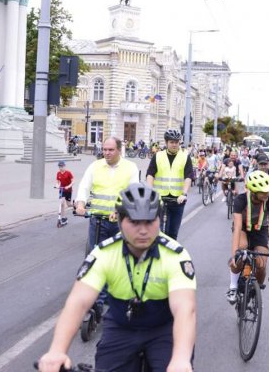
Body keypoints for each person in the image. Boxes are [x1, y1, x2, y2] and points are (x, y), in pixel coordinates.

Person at [38, 184, 197, 372]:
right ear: (119, 220)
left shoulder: (175, 255)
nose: (143, 230)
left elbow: (185, 310)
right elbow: (78, 302)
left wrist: (180, 359)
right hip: (121, 326)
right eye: (134, 222)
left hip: (163, 329)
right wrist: (57, 350)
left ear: (159, 219)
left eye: (149, 221)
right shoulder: (104, 252)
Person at [75, 137, 140, 318]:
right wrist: (80, 204)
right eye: (104, 149)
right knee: (96, 260)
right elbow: (84, 186)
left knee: (119, 260)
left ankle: (120, 296)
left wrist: (121, 210)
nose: (107, 153)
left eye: (111, 150)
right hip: (97, 220)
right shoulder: (95, 166)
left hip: (120, 222)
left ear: (119, 150)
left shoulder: (130, 167)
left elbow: (133, 192)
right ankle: (98, 299)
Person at [225, 170, 269, 304]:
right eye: (263, 192)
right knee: (241, 249)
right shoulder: (240, 200)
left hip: (260, 230)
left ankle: (255, 292)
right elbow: (237, 228)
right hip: (242, 228)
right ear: (253, 191)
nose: (267, 194)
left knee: (261, 264)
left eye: (268, 191)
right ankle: (233, 287)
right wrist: (234, 254)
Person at [146, 129, 193, 240]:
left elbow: (188, 177)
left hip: (178, 200)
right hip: (159, 199)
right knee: (156, 233)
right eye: (172, 142)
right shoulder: (157, 156)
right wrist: (150, 191)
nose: (174, 144)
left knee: (172, 234)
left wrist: (184, 194)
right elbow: (150, 175)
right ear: (166, 142)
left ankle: (171, 256)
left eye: (176, 142)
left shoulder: (185, 157)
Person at [55, 160, 74, 226]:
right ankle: (63, 217)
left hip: (68, 190)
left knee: (68, 204)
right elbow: (57, 182)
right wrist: (57, 186)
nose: (61, 168)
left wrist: (68, 186)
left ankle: (74, 205)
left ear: (64, 166)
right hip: (62, 190)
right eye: (59, 166)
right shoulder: (58, 173)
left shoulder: (68, 173)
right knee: (62, 203)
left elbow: (73, 181)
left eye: (62, 166)